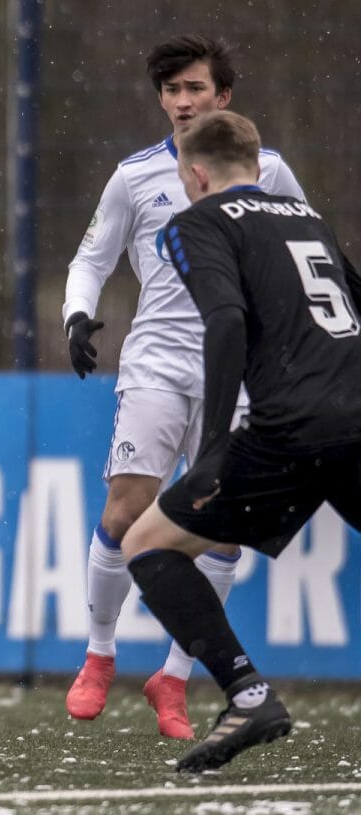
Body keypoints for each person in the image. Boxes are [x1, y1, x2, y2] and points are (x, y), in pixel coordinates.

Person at [60, 35, 306, 739]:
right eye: (172, 90)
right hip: (158, 363)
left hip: (244, 372)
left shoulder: (273, 172)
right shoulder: (134, 176)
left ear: (223, 97)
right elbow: (91, 258)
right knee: (124, 511)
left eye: (196, 88)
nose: (183, 102)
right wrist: (77, 314)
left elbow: (298, 253)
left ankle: (174, 676)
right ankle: (99, 654)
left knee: (218, 523)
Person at [125, 109, 361, 772]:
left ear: (194, 175)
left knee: (147, 543)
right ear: (256, 169)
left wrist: (210, 451)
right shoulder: (305, 215)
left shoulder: (194, 222)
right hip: (354, 412)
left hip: (288, 427)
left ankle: (247, 692)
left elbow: (224, 323)